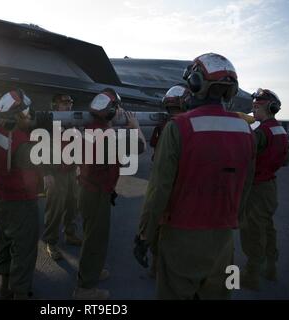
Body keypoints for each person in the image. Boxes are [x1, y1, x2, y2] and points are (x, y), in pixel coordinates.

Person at [143, 53, 256, 299]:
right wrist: (231, 219)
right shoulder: (246, 130)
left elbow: (159, 190)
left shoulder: (179, 127)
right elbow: (246, 186)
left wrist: (144, 235)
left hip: (181, 238)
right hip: (224, 241)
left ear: (194, 83)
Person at [73, 88, 146, 300]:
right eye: (118, 108)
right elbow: (140, 146)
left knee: (90, 236)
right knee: (95, 240)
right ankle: (85, 288)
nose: (121, 110)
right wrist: (136, 127)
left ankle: (91, 271)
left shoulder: (90, 129)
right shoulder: (109, 137)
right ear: (111, 112)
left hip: (86, 190)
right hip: (96, 196)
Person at [0, 88, 43, 300]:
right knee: (24, 251)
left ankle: (5, 288)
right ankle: (20, 292)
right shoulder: (23, 143)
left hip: (1, 200)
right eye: (26, 111)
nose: (30, 114)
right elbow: (34, 179)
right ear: (17, 115)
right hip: (21, 204)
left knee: (5, 243)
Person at [134, 84, 191, 278]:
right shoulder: (188, 127)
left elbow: (153, 146)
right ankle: (165, 266)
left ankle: (156, 262)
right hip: (181, 185)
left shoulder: (167, 125)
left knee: (157, 218)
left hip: (161, 179)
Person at [240, 88, 289, 290]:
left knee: (252, 230)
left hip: (256, 188)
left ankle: (251, 275)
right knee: (268, 228)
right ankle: (270, 268)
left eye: (257, 106)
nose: (253, 109)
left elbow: (245, 154)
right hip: (270, 186)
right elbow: (285, 160)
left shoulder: (261, 132)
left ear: (270, 108)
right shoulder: (280, 130)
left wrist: (244, 127)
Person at [42, 94, 82, 261]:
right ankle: (51, 242)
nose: (68, 106)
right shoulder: (49, 125)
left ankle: (70, 233)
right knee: (55, 209)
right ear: (55, 106)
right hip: (55, 173)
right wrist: (46, 173)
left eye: (70, 103)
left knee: (73, 204)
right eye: (64, 103)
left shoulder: (72, 123)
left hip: (71, 171)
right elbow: (41, 148)